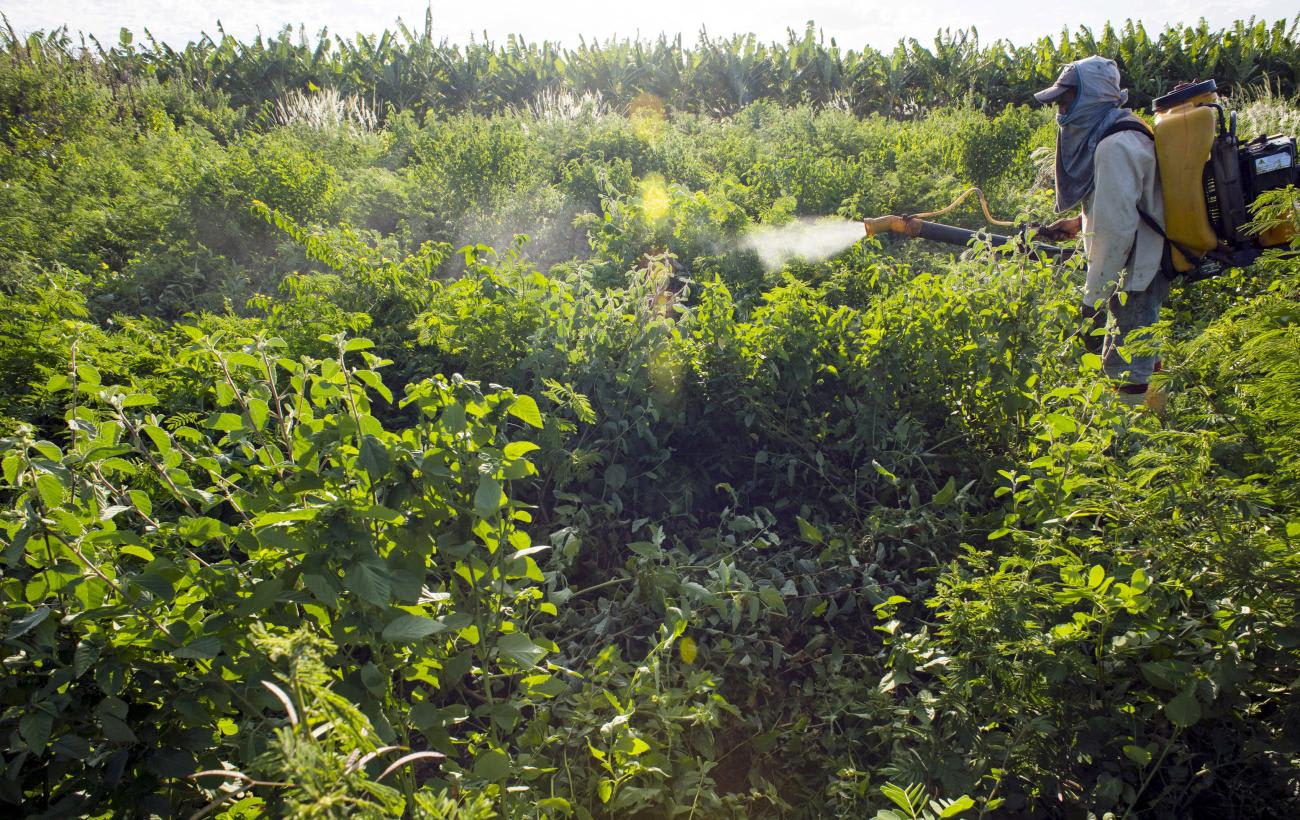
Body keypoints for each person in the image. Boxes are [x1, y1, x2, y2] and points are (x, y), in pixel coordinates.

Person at [1035, 56, 1168, 409]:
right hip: (1142, 258)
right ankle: (1160, 418)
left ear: (1091, 97)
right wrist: (1079, 224)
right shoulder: (1119, 129)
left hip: (1139, 267)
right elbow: (1125, 202)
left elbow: (1114, 234)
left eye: (1066, 101)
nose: (1061, 112)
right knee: (1142, 345)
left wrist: (1090, 302)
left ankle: (1132, 444)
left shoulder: (1114, 146)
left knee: (1124, 365)